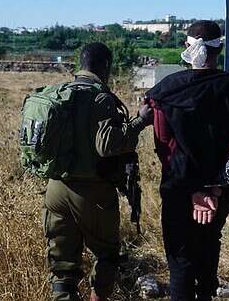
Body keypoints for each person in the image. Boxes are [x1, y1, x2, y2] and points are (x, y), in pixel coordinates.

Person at [146, 21, 229, 300]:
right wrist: (215, 188)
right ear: (219, 48)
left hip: (179, 188)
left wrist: (195, 189)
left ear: (186, 47)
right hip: (220, 192)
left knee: (180, 258)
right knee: (208, 246)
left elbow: (166, 148)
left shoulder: (166, 91)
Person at [42, 42, 153, 301]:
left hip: (56, 189)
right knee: (106, 255)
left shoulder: (59, 92)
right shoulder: (100, 96)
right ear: (105, 66)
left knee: (62, 265)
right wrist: (140, 121)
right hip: (92, 192)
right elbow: (107, 146)